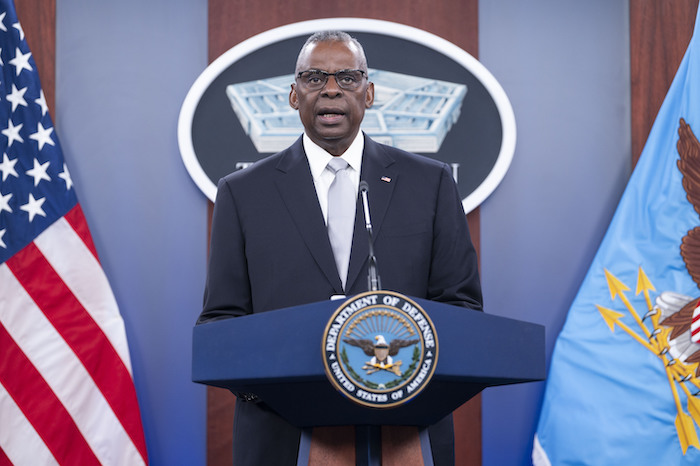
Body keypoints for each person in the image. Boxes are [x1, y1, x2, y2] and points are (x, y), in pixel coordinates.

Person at [198, 30, 482, 465]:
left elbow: (461, 308)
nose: (331, 89)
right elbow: (220, 323)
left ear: (369, 94)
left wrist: (410, 379)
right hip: (283, 435)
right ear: (294, 96)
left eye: (347, 78)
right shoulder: (242, 193)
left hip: (403, 431)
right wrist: (278, 393)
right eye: (314, 78)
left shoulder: (430, 183)